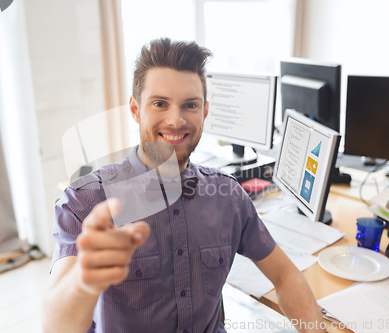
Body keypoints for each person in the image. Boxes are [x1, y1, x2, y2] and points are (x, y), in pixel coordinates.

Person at [42, 37, 325, 333]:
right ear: (136, 110)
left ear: (204, 112)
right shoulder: (86, 202)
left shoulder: (227, 196)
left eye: (189, 105)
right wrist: (84, 279)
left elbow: (286, 276)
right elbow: (56, 325)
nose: (176, 120)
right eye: (160, 103)